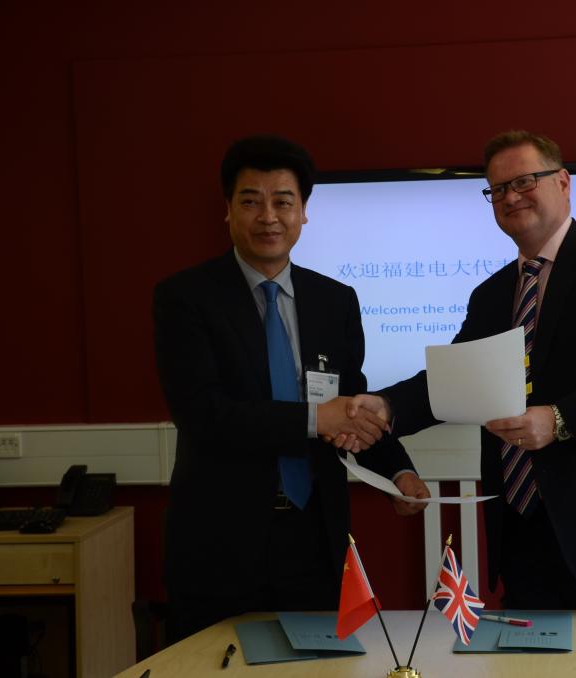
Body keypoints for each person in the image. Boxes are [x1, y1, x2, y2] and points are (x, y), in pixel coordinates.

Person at [348, 131, 576, 677]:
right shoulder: (491, 294)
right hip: (524, 531)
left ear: (562, 183)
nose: (510, 196)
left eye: (524, 181)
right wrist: (384, 407)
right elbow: (452, 382)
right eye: (497, 189)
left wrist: (560, 419)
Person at [153, 134, 430, 643]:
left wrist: (399, 471)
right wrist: (315, 419)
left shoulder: (335, 300)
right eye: (250, 202)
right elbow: (203, 414)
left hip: (314, 539)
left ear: (303, 213)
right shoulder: (185, 299)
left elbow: (352, 403)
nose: (268, 217)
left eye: (283, 202)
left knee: (317, 670)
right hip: (220, 542)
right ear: (228, 210)